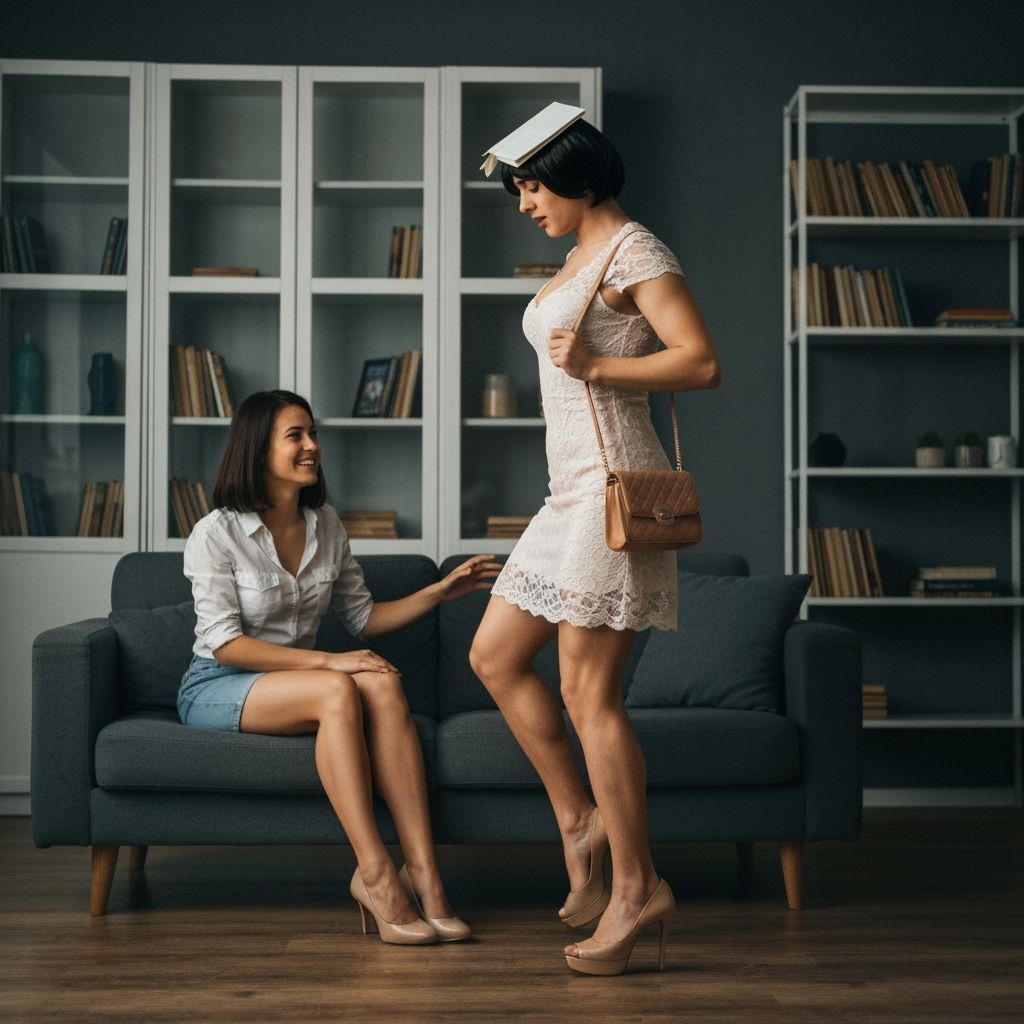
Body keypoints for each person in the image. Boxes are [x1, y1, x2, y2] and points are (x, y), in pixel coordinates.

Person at [470, 112, 721, 975]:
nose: (525, 205)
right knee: (495, 657)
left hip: (618, 497)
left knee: (590, 698)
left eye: (533, 187)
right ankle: (581, 821)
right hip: (565, 494)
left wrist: (601, 367)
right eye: (519, 191)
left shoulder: (636, 253)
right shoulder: (577, 260)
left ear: (579, 176)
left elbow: (699, 362)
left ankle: (636, 886)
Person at [177, 389, 501, 945]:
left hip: (296, 682)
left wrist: (441, 593)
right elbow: (226, 645)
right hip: (219, 684)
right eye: (295, 436)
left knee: (382, 681)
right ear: (258, 451)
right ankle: (375, 875)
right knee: (337, 690)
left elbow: (365, 616)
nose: (312, 446)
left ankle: (425, 874)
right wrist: (330, 661)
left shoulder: (326, 525)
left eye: (312, 433)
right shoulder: (216, 532)